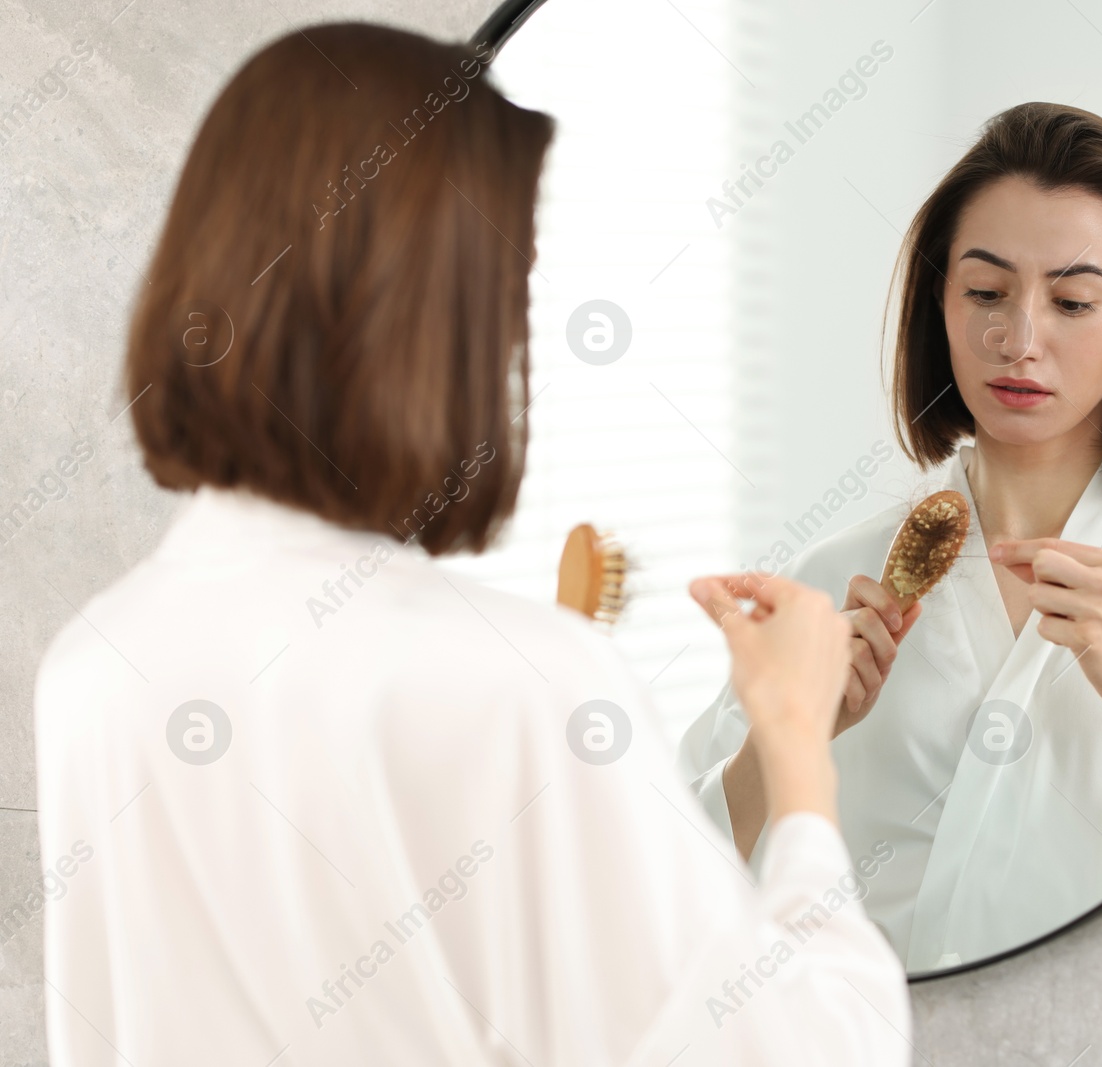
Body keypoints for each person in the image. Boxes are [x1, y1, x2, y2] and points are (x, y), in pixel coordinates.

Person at [32, 24, 909, 1066]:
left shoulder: (94, 662)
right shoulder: (518, 679)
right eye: (507, 289)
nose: (513, 337)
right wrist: (799, 746)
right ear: (431, 311)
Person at [679, 102, 1102, 972]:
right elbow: (678, 885)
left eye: (1074, 300)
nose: (1019, 340)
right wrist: (790, 733)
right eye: (984, 292)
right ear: (938, 301)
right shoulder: (834, 579)